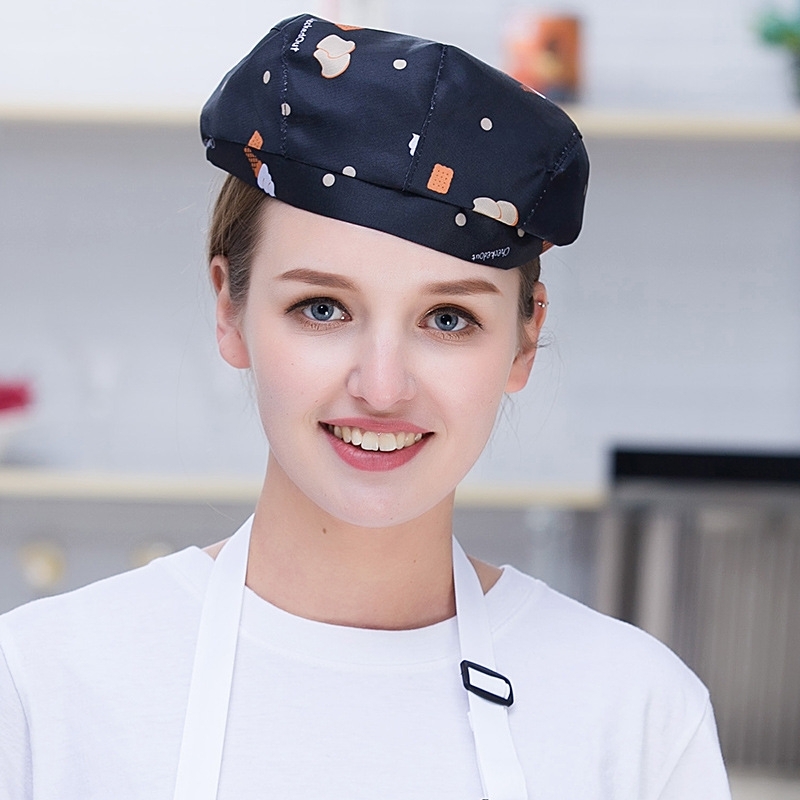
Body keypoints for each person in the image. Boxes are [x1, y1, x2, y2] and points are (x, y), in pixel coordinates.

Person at [0, 13, 730, 800]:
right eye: (322, 308)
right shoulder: (40, 688)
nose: (382, 388)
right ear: (229, 309)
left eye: (448, 319)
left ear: (524, 341)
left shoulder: (638, 717)